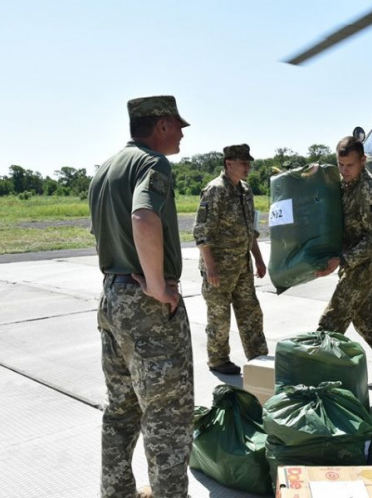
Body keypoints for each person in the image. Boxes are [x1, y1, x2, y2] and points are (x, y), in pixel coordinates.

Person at [88, 95, 194, 498]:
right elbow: (144, 216)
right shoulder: (152, 163)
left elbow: (100, 232)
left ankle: (116, 492)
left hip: (112, 296)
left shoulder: (106, 170)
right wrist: (154, 283)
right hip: (145, 303)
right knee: (168, 417)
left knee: (121, 410)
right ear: (162, 125)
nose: (183, 132)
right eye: (178, 125)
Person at [315, 136, 372, 393]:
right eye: (340, 165)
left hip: (362, 267)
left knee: (330, 324)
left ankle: (318, 388)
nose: (344, 171)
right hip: (348, 264)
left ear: (363, 161)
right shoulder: (345, 185)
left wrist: (342, 260)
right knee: (367, 323)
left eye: (350, 166)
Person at [193, 144, 268, 375]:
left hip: (242, 266)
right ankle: (218, 359)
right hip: (219, 269)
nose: (247, 167)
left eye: (248, 163)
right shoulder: (215, 190)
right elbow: (201, 232)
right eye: (243, 163)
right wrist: (211, 268)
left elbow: (250, 230)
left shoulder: (245, 190)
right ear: (229, 164)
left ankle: (258, 356)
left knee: (251, 313)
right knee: (219, 317)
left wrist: (258, 259)